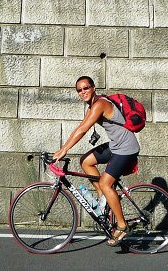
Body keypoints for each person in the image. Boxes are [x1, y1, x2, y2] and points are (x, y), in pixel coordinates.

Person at [53, 75, 140, 246]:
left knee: (106, 183)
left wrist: (64, 149)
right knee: (86, 161)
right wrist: (64, 147)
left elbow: (83, 130)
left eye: (86, 88)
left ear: (93, 88)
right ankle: (103, 201)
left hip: (126, 148)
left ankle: (122, 225)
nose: (83, 92)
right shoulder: (93, 106)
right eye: (79, 90)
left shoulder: (100, 104)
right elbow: (81, 126)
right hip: (116, 145)